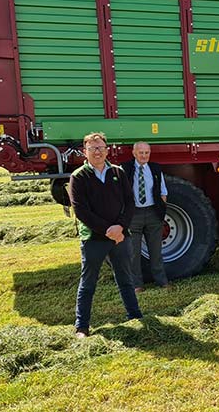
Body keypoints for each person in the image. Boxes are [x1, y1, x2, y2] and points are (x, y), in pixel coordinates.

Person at [69, 132, 142, 338]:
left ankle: (135, 316)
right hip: (94, 239)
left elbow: (129, 203)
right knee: (88, 283)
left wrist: (119, 227)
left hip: (120, 237)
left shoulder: (118, 172)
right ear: (85, 152)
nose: (97, 152)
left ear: (107, 150)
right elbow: (81, 210)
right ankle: (81, 327)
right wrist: (108, 231)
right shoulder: (79, 177)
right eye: (92, 148)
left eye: (100, 147)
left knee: (126, 279)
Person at [121, 142, 170, 292]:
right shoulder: (125, 168)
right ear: (134, 153)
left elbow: (163, 191)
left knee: (156, 250)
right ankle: (137, 285)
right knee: (133, 253)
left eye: (146, 153)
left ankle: (162, 282)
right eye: (141, 153)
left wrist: (160, 208)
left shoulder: (155, 168)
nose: (144, 156)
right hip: (134, 214)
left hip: (152, 213)